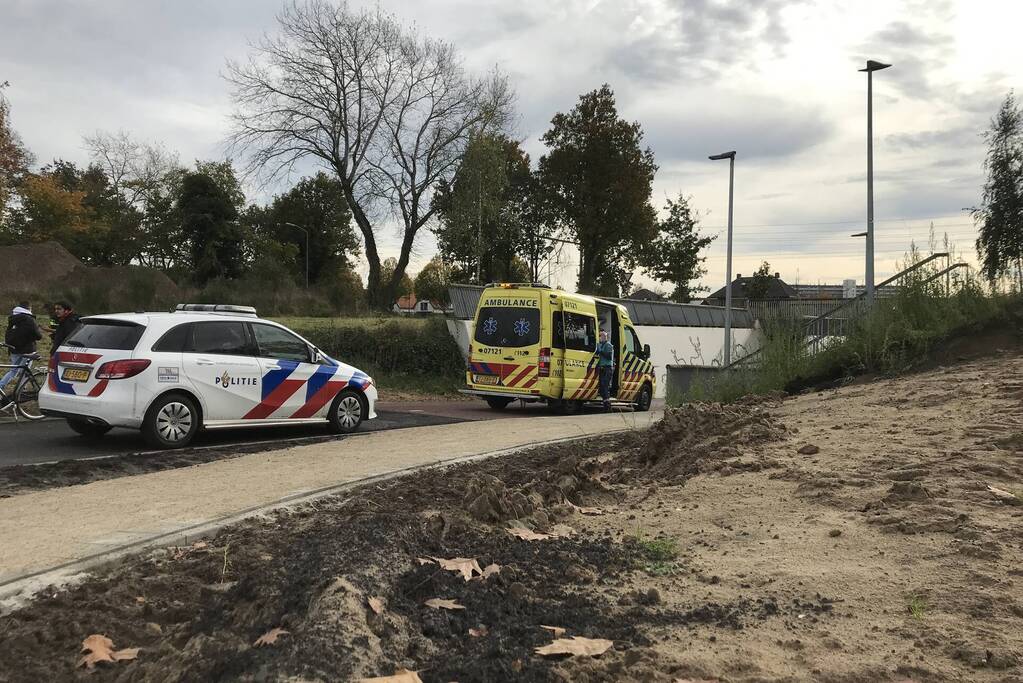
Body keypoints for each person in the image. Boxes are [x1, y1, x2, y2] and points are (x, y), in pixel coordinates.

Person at [2, 301, 43, 391]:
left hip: (14, 349)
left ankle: (1, 386)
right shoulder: (29, 319)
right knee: (25, 371)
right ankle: (20, 390)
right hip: (28, 349)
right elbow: (38, 336)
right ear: (28, 308)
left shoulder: (12, 318)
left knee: (13, 370)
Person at [595, 328, 615, 412]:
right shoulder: (601, 345)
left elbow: (609, 356)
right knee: (602, 387)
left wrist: (600, 351)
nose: (601, 337)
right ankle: (606, 404)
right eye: (600, 336)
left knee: (605, 386)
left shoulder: (608, 345)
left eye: (602, 336)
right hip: (602, 368)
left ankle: (607, 406)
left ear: (605, 337)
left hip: (607, 368)